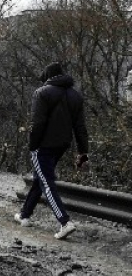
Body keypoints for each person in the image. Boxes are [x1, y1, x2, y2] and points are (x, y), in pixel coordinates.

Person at [15, 62, 90, 239]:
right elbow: (80, 127)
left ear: (47, 77)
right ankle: (25, 215)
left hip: (43, 145)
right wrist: (83, 153)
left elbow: (37, 123)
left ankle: (65, 222)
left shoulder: (41, 93)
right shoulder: (76, 96)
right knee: (40, 178)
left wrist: (33, 145)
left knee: (46, 182)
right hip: (62, 144)